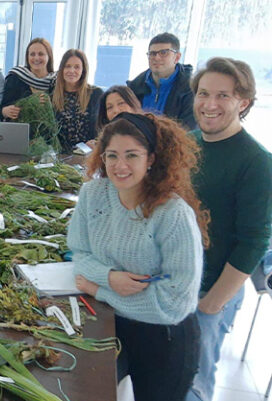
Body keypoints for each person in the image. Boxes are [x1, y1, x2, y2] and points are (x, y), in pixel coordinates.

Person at [69, 112, 207, 401]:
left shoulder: (172, 214)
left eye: (132, 155)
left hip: (164, 337)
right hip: (109, 326)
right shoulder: (93, 194)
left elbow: (175, 302)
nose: (120, 166)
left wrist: (99, 289)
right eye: (112, 155)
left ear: (151, 159)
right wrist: (109, 277)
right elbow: (79, 253)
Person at [186, 57, 272, 401]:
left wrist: (212, 303)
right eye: (204, 93)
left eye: (223, 96)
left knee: (195, 382)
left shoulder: (257, 162)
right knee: (166, 373)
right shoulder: (188, 144)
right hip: (173, 283)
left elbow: (253, 242)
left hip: (211, 291)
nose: (209, 104)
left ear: (243, 102)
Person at [127, 33, 195, 129]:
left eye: (163, 53)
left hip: (174, 142)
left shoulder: (190, 89)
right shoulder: (134, 88)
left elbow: (188, 130)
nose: (156, 58)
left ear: (177, 57)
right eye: (152, 53)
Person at [51, 49, 103, 152]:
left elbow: (104, 126)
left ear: (83, 71)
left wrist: (96, 141)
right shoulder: (51, 96)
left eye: (77, 67)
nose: (71, 71)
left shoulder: (96, 94)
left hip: (89, 155)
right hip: (60, 157)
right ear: (61, 69)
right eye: (68, 66)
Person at [0, 37, 55, 121]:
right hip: (17, 130)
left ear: (49, 56)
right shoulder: (16, 77)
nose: (36, 58)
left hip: (47, 132)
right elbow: (1, 108)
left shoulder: (56, 81)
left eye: (41, 54)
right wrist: (5, 111)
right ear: (27, 57)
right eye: (32, 54)